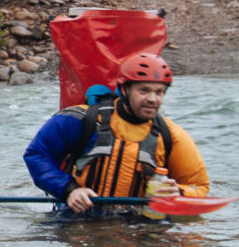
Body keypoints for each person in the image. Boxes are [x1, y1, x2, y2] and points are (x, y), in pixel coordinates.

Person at [24, 53, 209, 216]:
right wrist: (69, 190)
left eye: (159, 92)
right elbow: (38, 155)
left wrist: (178, 192)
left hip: (138, 226)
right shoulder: (79, 119)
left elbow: (199, 187)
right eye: (144, 90)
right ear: (125, 89)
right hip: (76, 218)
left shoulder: (172, 135)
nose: (153, 99)